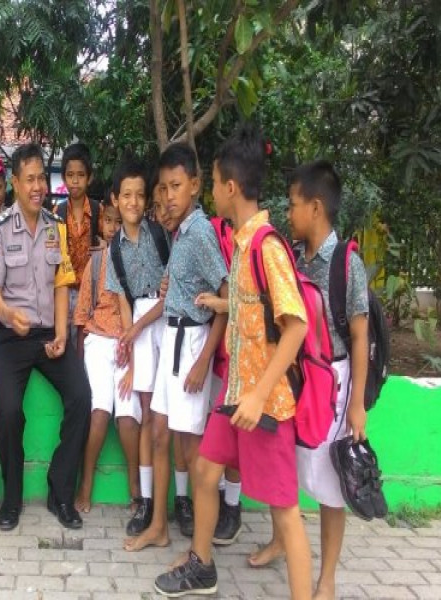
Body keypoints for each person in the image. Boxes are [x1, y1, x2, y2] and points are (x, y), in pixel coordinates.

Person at [154, 124, 312, 598]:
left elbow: (296, 325)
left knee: (286, 512)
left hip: (264, 405)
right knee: (205, 472)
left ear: (229, 187)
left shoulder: (266, 246)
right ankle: (202, 565)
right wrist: (222, 304)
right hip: (236, 395)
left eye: (214, 181)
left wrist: (259, 395)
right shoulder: (242, 244)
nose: (210, 191)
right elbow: (252, 306)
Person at [247, 160, 368, 599]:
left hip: (333, 381)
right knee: (289, 467)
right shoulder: (296, 257)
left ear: (316, 207)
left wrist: (356, 403)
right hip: (299, 378)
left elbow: (360, 335)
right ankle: (282, 540)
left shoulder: (346, 263)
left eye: (293, 204)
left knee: (330, 484)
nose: (288, 213)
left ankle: (327, 578)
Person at [126, 143, 228, 552]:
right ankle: (158, 526)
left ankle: (200, 550)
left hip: (191, 345)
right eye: (164, 188)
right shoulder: (181, 233)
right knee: (158, 433)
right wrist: (139, 325)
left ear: (195, 186)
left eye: (176, 186)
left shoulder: (200, 233)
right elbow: (172, 293)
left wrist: (203, 360)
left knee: (192, 447)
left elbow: (226, 298)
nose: (169, 196)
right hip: (172, 338)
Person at [0, 143, 91, 531]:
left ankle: (60, 491)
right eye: (29, 179)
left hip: (48, 334)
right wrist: (9, 315)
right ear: (15, 183)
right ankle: (11, 498)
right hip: (11, 336)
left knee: (81, 397)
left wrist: (62, 334)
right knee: (9, 412)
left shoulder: (55, 226)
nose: (37, 187)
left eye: (41, 178)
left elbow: (62, 284)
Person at [103, 157, 170, 537]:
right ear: (115, 199)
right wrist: (129, 353)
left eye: (139, 195)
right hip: (140, 326)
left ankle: (180, 499)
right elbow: (124, 302)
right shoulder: (114, 250)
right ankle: (146, 501)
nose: (133, 202)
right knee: (146, 414)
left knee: (169, 416)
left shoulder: (160, 235)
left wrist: (137, 329)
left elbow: (171, 288)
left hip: (168, 320)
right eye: (126, 195)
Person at [73, 195, 139, 513]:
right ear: (101, 223)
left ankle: (137, 487)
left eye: (118, 221)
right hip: (98, 341)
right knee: (99, 411)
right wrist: (78, 356)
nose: (112, 227)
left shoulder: (136, 258)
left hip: (128, 342)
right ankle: (85, 483)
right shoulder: (96, 262)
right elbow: (82, 314)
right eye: (108, 221)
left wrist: (131, 345)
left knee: (127, 417)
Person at [59, 143, 101, 340]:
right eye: (70, 175)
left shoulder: (98, 211)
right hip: (63, 292)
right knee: (64, 340)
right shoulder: (57, 212)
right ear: (63, 178)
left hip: (90, 292)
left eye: (81, 175)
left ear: (89, 178)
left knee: (85, 343)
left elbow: (109, 244)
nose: (75, 181)